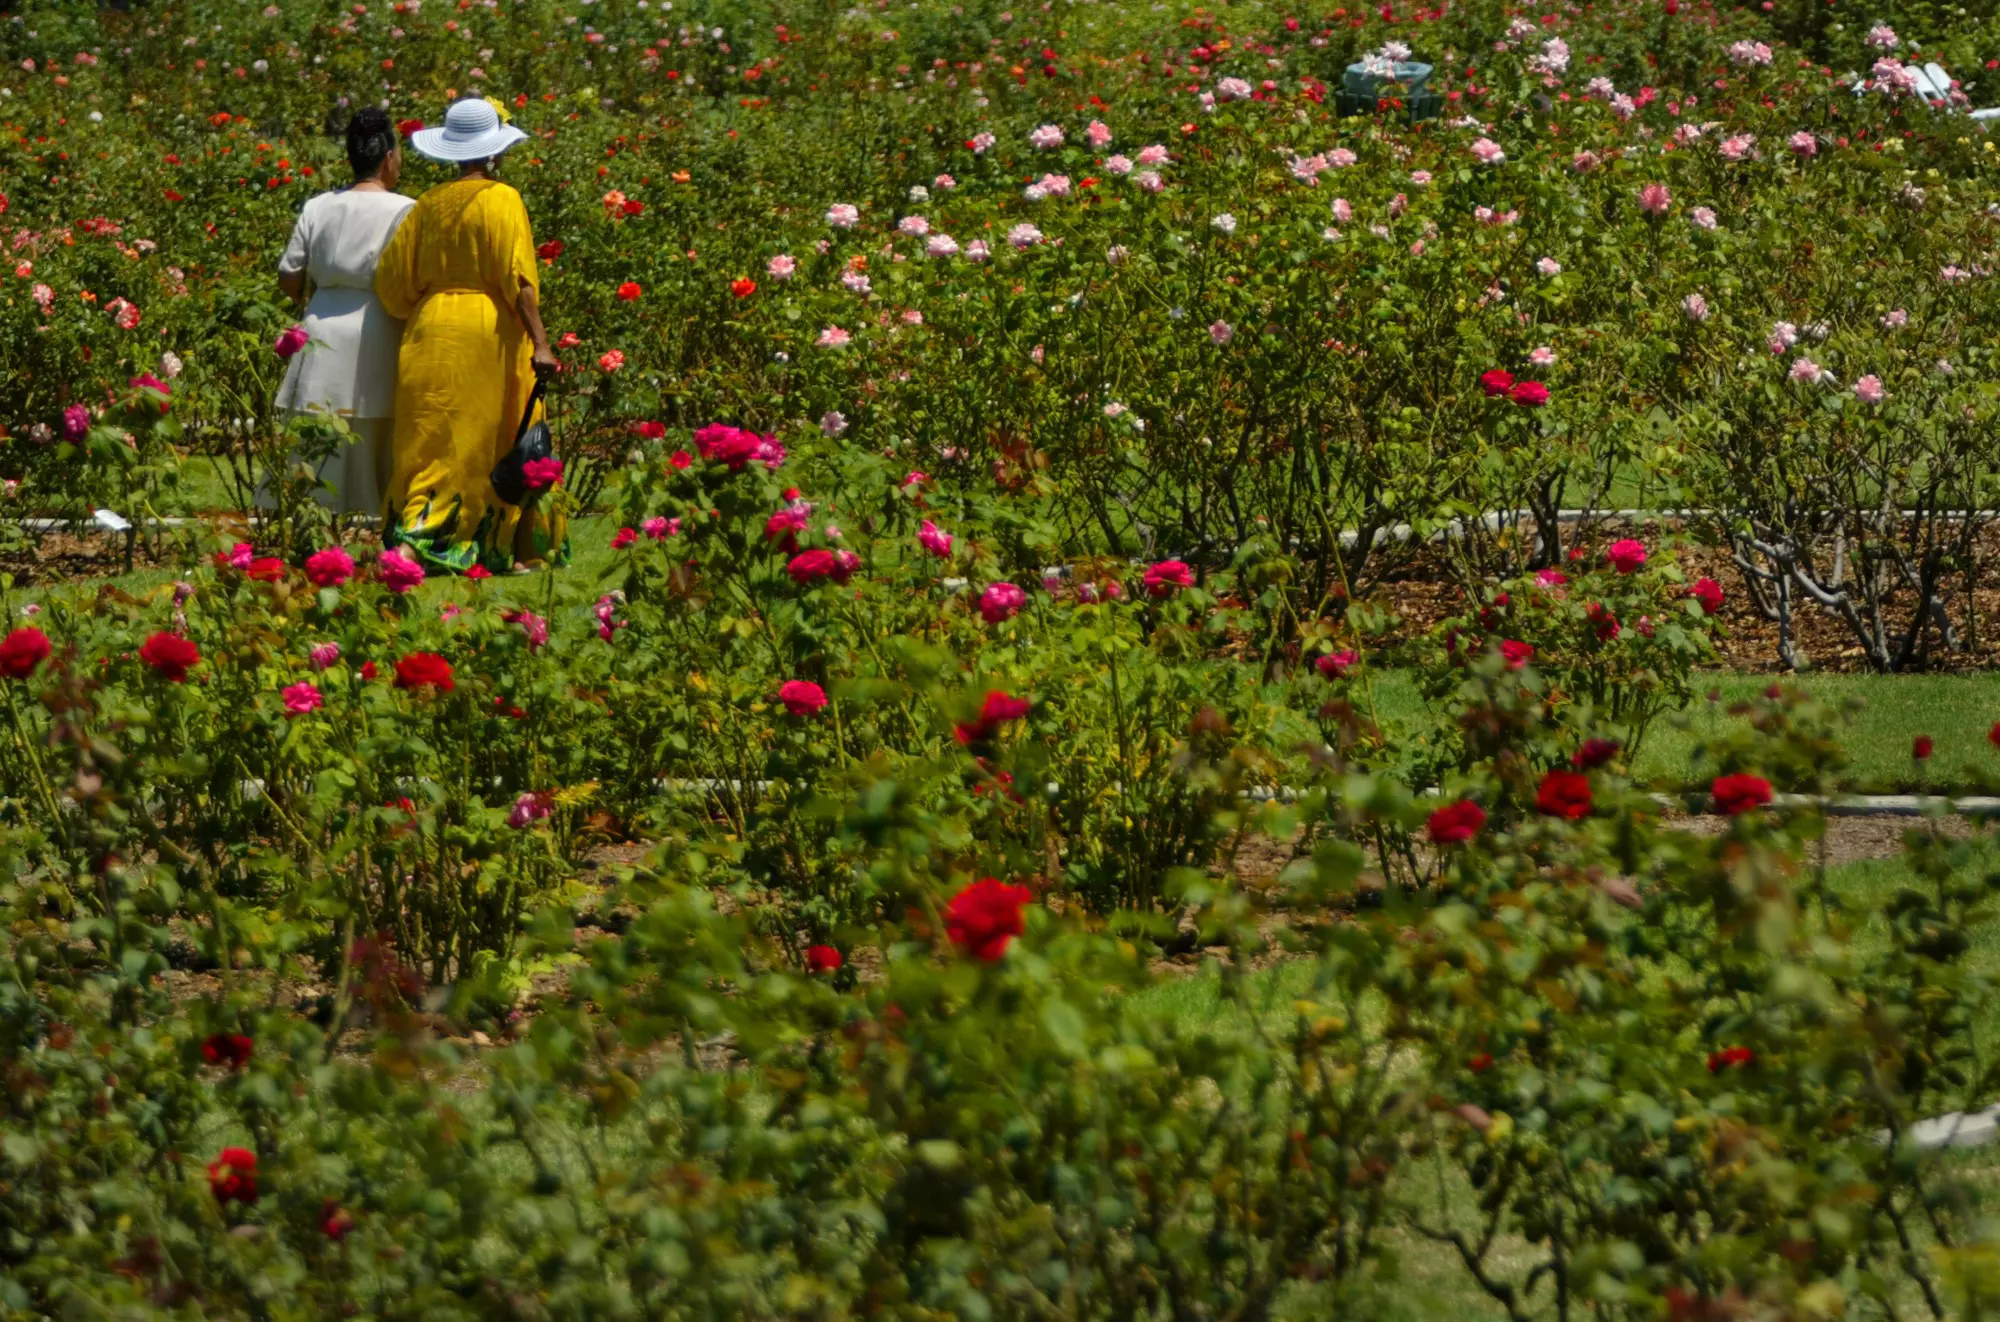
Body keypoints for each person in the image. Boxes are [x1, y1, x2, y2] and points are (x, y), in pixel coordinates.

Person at [373, 96, 564, 574]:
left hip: (431, 325)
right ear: (495, 150)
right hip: (485, 329)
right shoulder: (503, 198)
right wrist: (541, 341)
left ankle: (413, 533)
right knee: (485, 435)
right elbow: (518, 279)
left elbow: (393, 283)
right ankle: (481, 541)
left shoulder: (427, 205)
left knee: (431, 436)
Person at [274, 108, 416, 515]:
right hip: (379, 321)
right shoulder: (407, 209)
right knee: (375, 424)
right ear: (389, 156)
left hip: (321, 320)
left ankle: (312, 512)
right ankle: (379, 511)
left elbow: (289, 276)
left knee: (316, 421)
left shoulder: (319, 206)